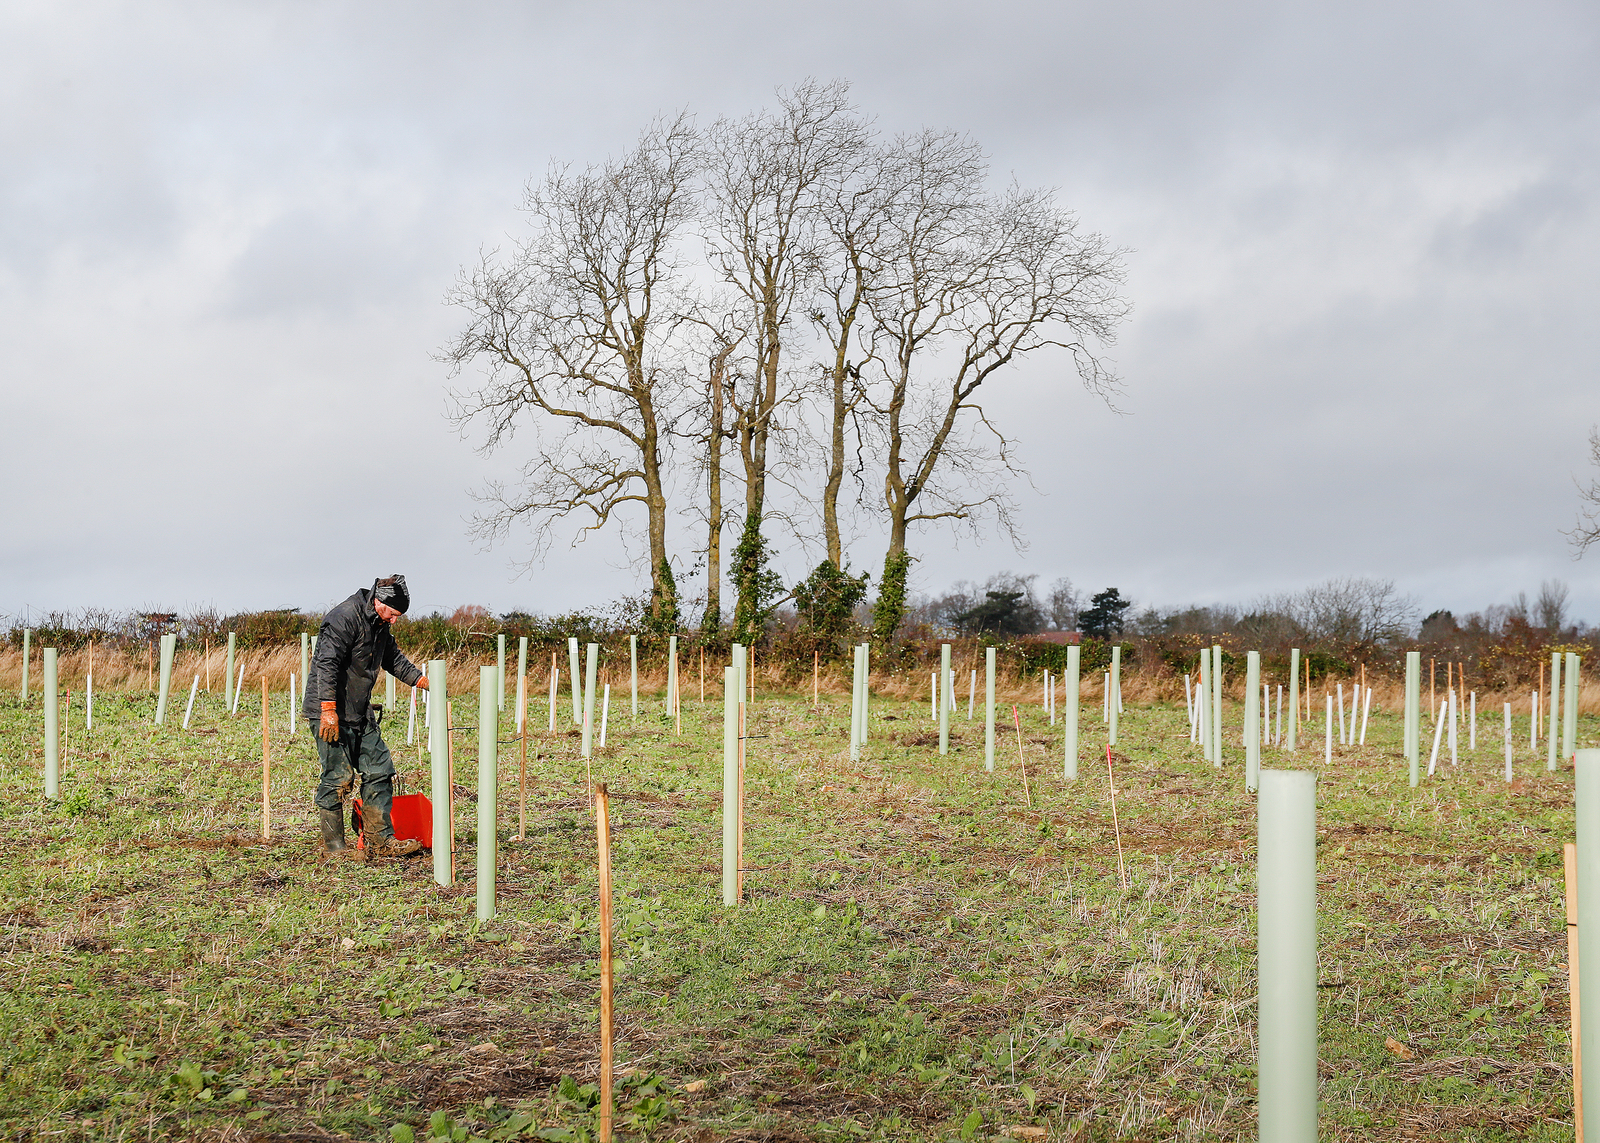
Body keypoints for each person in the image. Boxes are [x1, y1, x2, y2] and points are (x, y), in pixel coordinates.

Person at [302, 574, 429, 857]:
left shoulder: (380, 624)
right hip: (330, 710)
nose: (394, 620)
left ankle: (381, 841)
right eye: (393, 613)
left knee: (379, 770)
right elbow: (326, 663)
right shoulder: (343, 618)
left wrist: (422, 681)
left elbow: (393, 659)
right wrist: (327, 709)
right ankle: (334, 848)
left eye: (398, 616)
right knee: (338, 777)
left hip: (360, 711)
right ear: (378, 601)